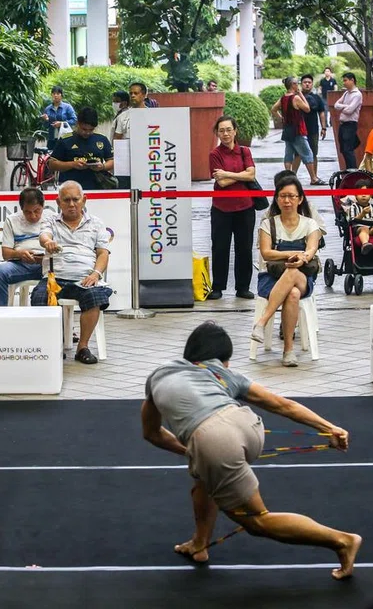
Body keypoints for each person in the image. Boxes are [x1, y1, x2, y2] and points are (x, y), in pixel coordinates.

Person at [141, 321, 361, 578]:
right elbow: (282, 405)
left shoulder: (159, 375)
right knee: (203, 479)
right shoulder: (223, 374)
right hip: (250, 427)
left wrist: (195, 450)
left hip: (216, 439)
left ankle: (343, 541)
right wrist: (330, 428)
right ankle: (199, 544)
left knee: (257, 521)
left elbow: (152, 433)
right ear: (220, 359)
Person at [30, 181, 112, 365]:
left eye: (76, 199)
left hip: (84, 278)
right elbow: (44, 236)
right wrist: (47, 242)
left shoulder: (97, 224)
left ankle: (82, 347)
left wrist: (96, 274)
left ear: (84, 200)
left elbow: (103, 253)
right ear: (58, 203)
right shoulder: (50, 220)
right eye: (66, 200)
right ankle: (51, 346)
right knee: (39, 297)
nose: (72, 204)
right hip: (55, 277)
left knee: (94, 296)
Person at [250, 173, 322, 367]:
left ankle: (262, 322)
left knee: (293, 274)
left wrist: (302, 258)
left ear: (300, 199)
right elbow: (266, 253)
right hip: (271, 277)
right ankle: (288, 351)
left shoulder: (310, 224)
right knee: (292, 293)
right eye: (282, 196)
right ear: (276, 198)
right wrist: (294, 253)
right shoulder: (268, 223)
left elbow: (312, 249)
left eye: (291, 196)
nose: (287, 200)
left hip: (303, 276)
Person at [208, 115, 258, 301]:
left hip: (245, 207)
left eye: (229, 129)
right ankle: (218, 287)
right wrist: (241, 174)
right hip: (221, 208)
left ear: (235, 131)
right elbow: (221, 182)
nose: (226, 133)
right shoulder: (215, 154)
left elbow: (251, 176)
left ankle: (243, 287)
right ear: (217, 133)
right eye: (221, 130)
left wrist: (229, 174)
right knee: (220, 248)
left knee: (244, 248)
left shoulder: (245, 151)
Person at [0, 187, 48, 306]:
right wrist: (20, 254)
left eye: (37, 210)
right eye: (27, 212)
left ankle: (56, 319)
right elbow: (6, 253)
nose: (33, 216)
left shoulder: (52, 219)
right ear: (21, 208)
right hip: (21, 265)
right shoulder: (12, 220)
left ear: (43, 206)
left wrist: (47, 257)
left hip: (47, 265)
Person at [47, 107, 114, 191]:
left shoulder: (102, 139)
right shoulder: (65, 140)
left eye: (91, 130)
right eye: (84, 129)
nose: (87, 133)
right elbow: (52, 164)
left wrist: (102, 166)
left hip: (97, 188)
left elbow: (112, 161)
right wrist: (73, 164)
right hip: (70, 189)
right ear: (77, 123)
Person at [272, 77, 319, 185]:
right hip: (298, 129)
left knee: (289, 153)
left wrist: (281, 118)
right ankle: (313, 178)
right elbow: (307, 108)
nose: (298, 85)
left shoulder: (283, 98)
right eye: (296, 83)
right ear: (293, 85)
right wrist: (301, 94)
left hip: (287, 129)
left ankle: (288, 176)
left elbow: (273, 109)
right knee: (308, 153)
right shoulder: (296, 98)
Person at [345, 180, 373, 255]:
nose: (363, 195)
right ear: (355, 195)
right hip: (359, 227)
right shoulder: (353, 207)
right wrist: (363, 213)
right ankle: (365, 244)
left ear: (371, 195)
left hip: (372, 226)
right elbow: (353, 221)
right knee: (364, 229)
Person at [334, 73, 362, 169]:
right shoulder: (346, 93)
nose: (344, 83)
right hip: (343, 124)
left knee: (348, 149)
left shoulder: (357, 95)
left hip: (350, 124)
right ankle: (349, 169)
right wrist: (345, 107)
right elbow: (336, 105)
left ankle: (353, 171)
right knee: (344, 149)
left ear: (352, 80)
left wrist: (343, 107)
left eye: (346, 80)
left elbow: (350, 110)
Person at [300, 74, 327, 172]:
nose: (307, 84)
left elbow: (321, 113)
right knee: (297, 154)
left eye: (309, 82)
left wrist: (323, 128)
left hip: (313, 130)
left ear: (312, 84)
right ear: (301, 84)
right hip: (299, 130)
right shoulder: (296, 97)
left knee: (313, 153)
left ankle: (314, 176)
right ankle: (292, 176)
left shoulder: (316, 98)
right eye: (305, 82)